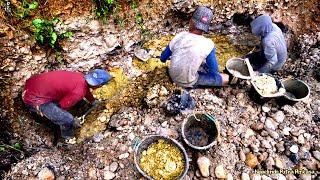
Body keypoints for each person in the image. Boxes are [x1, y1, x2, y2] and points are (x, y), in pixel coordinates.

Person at [22, 69, 112, 143]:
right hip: (33, 99)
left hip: (32, 84)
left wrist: (92, 101)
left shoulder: (79, 76)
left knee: (74, 100)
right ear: (99, 85)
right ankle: (67, 137)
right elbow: (62, 107)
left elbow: (85, 89)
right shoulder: (78, 92)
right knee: (67, 119)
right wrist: (73, 121)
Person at [160, 6, 229, 88]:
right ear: (206, 27)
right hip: (188, 82)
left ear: (191, 21)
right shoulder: (209, 44)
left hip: (172, 77)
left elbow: (163, 58)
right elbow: (214, 71)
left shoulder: (179, 36)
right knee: (222, 77)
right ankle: (232, 81)